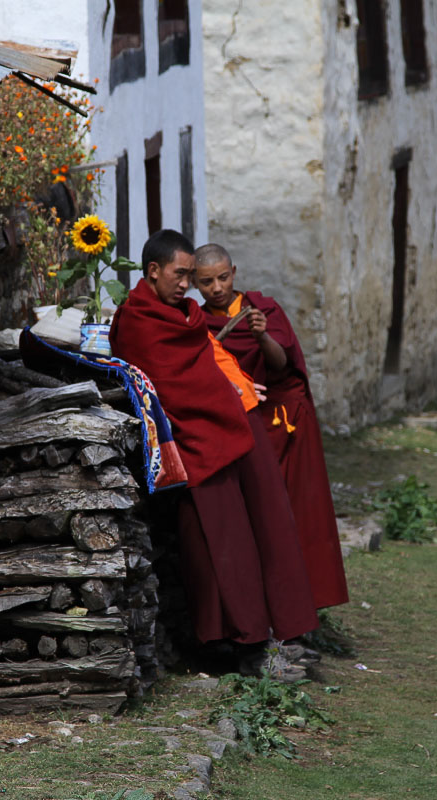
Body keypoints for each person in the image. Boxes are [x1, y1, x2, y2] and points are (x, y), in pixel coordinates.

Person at [110, 229, 319, 648]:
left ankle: (288, 629)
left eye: (192, 276)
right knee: (216, 545)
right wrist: (223, 399)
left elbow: (210, 363)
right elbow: (173, 384)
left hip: (232, 425)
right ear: (153, 271)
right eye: (181, 274)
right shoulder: (138, 320)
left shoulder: (187, 314)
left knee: (269, 525)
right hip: (196, 441)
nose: (189, 284)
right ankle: (239, 641)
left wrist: (234, 391)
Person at [194, 243, 349, 610]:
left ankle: (305, 604)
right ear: (195, 286)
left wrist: (262, 335)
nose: (216, 288)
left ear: (234, 271)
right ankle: (268, 606)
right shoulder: (198, 323)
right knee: (258, 518)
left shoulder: (263, 309)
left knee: (299, 512)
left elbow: (281, 365)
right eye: (206, 282)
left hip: (284, 421)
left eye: (222, 277)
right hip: (243, 422)